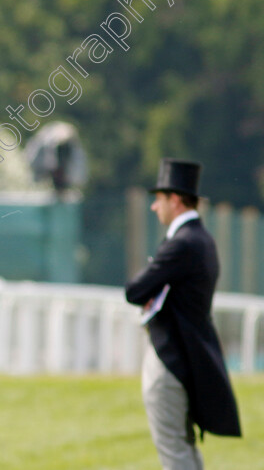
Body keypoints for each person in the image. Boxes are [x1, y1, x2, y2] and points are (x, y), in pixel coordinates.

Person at [125, 158, 241, 469]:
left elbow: (134, 290)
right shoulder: (202, 240)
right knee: (184, 448)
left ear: (174, 200)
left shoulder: (182, 244)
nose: (154, 207)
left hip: (169, 360)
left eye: (159, 199)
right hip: (186, 358)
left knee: (174, 451)